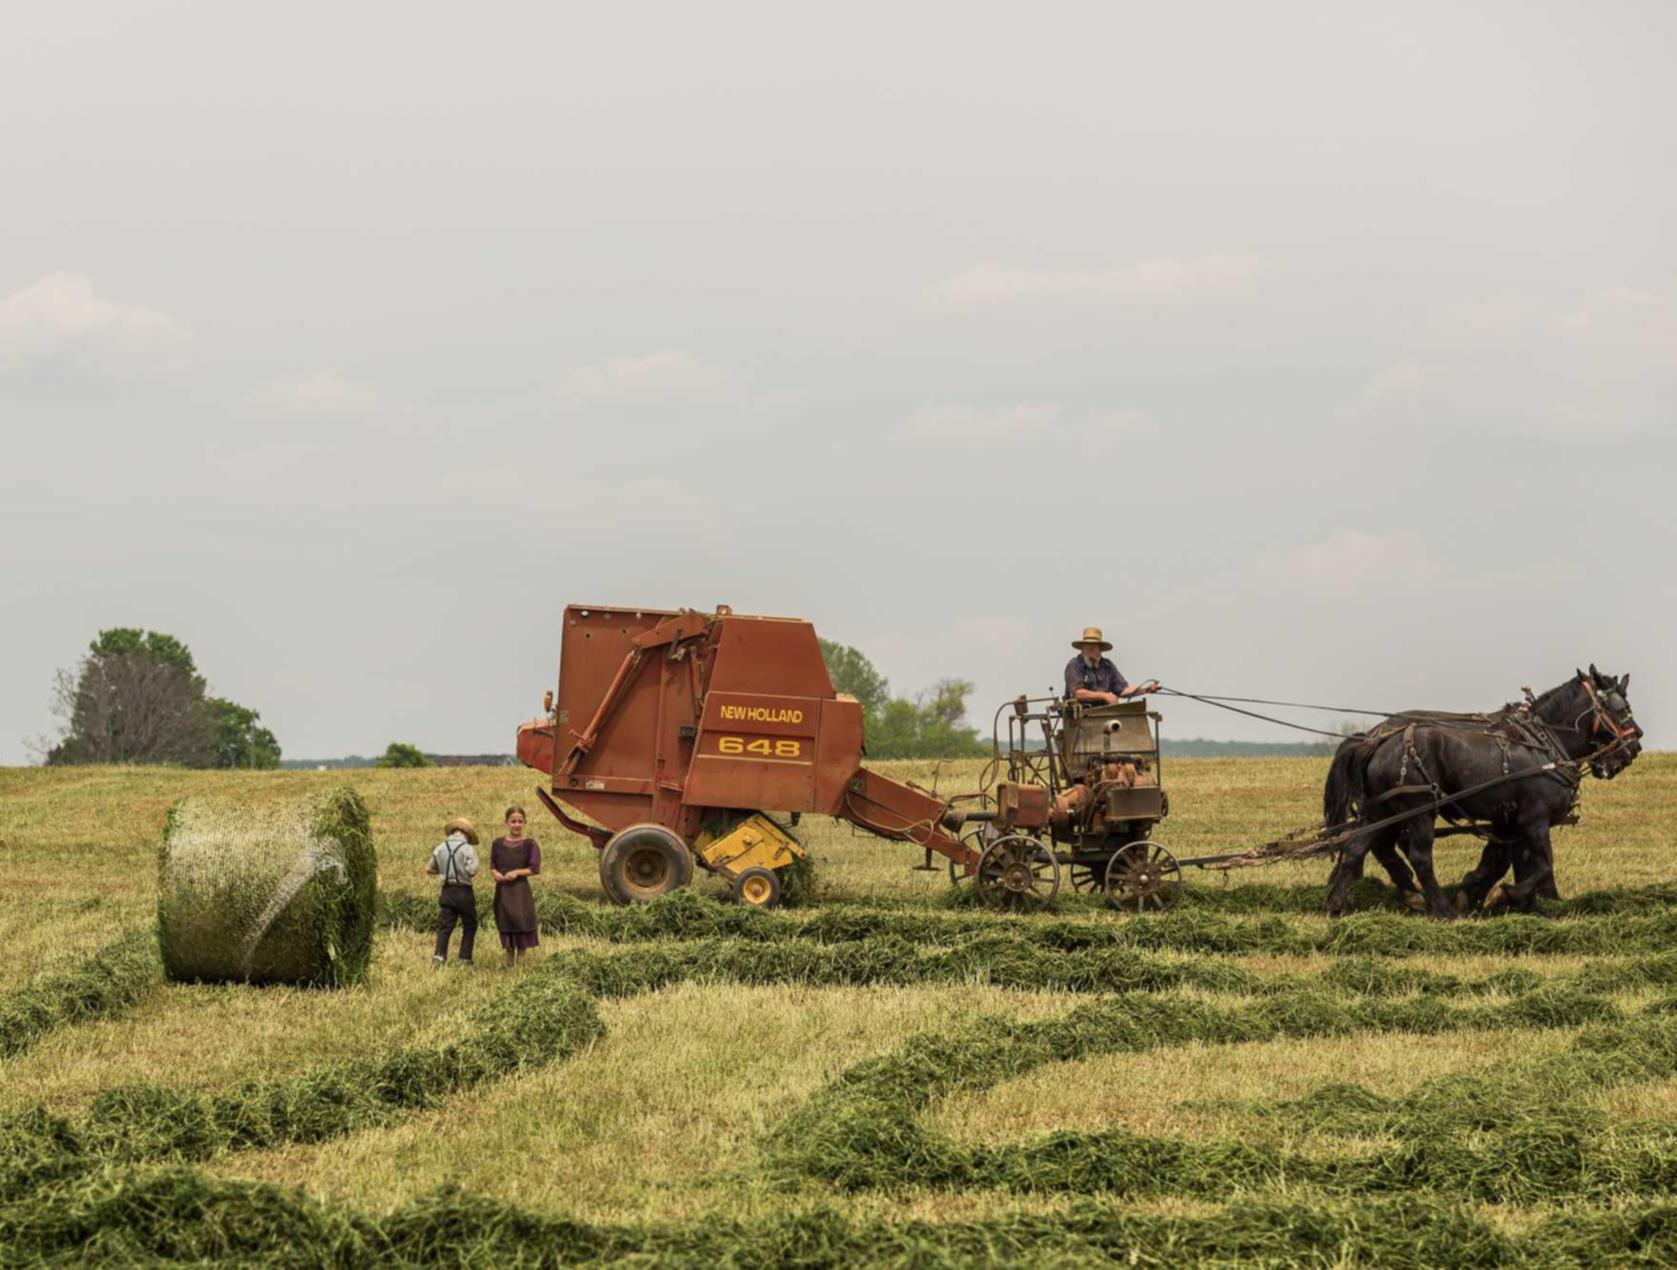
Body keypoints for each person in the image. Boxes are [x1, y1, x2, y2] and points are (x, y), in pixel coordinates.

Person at [425, 816, 480, 967]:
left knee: (445, 925)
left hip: (447, 890)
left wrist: (444, 871)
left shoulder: (440, 847)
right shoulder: (468, 848)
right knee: (469, 924)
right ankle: (464, 958)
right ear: (466, 834)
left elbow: (429, 869)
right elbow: (472, 870)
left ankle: (439, 957)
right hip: (463, 890)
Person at [491, 805, 541, 966]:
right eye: (513, 821)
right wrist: (496, 874)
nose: (517, 825)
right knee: (505, 921)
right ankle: (509, 960)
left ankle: (522, 959)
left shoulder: (530, 844)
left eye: (520, 821)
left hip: (520, 891)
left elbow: (534, 868)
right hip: (503, 891)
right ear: (506, 822)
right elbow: (492, 865)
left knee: (521, 921)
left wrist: (517, 872)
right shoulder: (497, 844)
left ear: (525, 823)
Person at [1064, 627, 1159, 705]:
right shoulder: (1075, 665)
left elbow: (1122, 690)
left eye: (1094, 645)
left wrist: (1146, 690)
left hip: (1106, 712)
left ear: (1100, 648)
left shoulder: (1107, 665)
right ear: (1082, 647)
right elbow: (1077, 693)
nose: (1090, 647)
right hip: (1081, 716)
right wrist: (1104, 696)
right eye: (1087, 644)